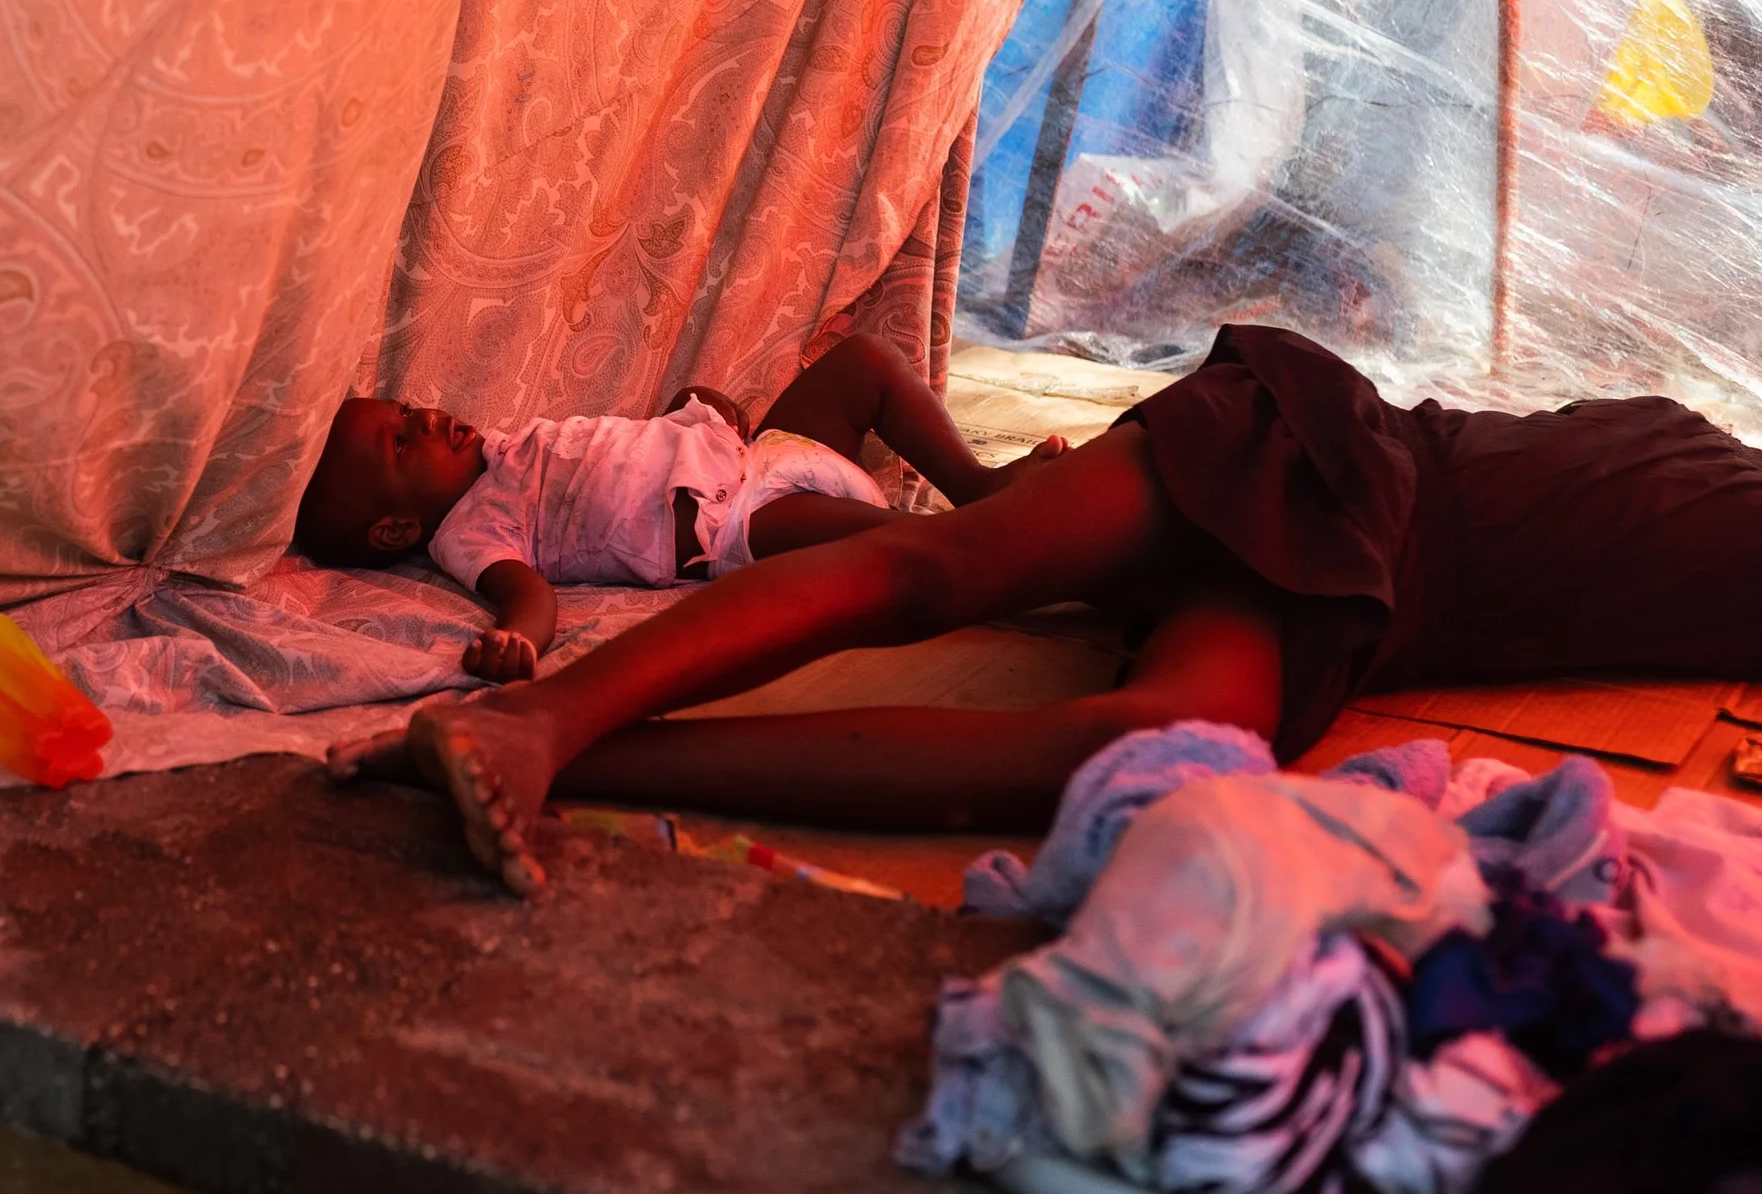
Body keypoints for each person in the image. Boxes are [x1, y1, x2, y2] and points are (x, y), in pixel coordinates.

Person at [334, 324, 1762, 895]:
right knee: (943, 565)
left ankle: (546, 749)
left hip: (1366, 600)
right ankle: (544, 711)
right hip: (1346, 452)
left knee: (1136, 748)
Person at [293, 333, 1066, 682]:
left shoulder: (500, 444)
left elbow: (624, 451)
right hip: (736, 526)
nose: (424, 417)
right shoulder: (469, 530)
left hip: (758, 453)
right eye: (402, 443)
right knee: (906, 547)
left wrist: (692, 412)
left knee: (865, 362)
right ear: (396, 527)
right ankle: (1012, 543)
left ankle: (979, 484)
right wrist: (516, 644)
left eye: (406, 407)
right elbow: (527, 596)